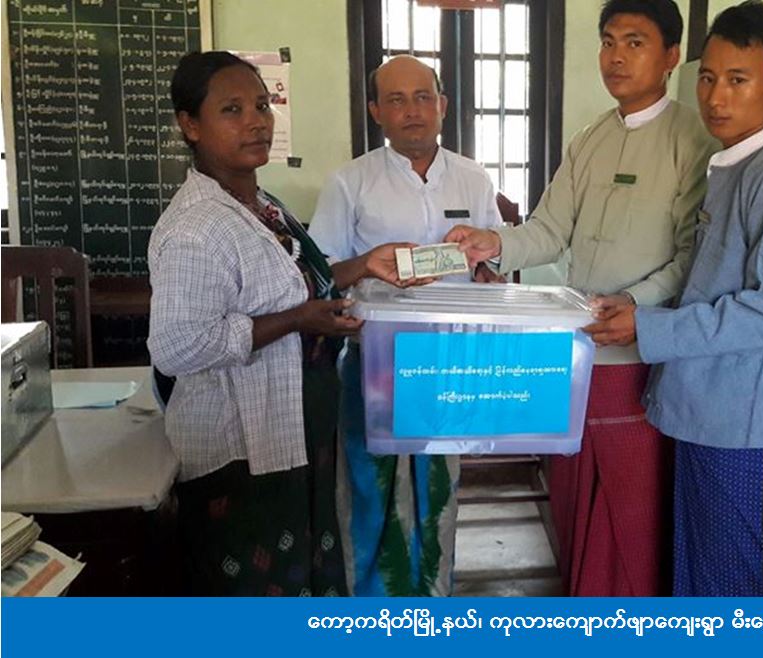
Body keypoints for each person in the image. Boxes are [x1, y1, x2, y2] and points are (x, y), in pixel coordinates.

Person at [444, 0, 716, 596]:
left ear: (671, 56)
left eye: (635, 42)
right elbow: (548, 229)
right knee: (572, 504)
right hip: (578, 353)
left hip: (641, 360)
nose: (616, 56)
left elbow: (693, 256)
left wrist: (635, 306)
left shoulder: (693, 140)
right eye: (608, 40)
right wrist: (493, 242)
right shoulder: (591, 138)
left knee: (633, 518)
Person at [582, 0, 763, 596]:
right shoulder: (731, 168)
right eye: (708, 78)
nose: (716, 97)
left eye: (738, 80)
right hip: (706, 411)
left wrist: (649, 327)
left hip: (743, 422)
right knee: (698, 575)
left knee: (734, 581)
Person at [148, 51, 414, 596]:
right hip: (241, 454)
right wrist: (299, 320)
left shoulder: (259, 204)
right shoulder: (196, 227)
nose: (256, 121)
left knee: (305, 578)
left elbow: (295, 282)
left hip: (298, 434)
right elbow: (178, 347)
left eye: (262, 106)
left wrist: (363, 265)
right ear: (190, 124)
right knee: (256, 594)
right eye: (232, 109)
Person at [308, 55, 502, 597]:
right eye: (396, 100)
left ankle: (433, 599)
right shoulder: (350, 182)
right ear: (376, 111)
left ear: (442, 106)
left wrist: (485, 269)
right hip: (374, 364)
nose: (412, 110)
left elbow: (493, 255)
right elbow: (320, 271)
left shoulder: (473, 178)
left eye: (422, 97)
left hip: (448, 362)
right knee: (370, 487)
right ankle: (371, 605)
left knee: (437, 487)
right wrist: (367, 264)